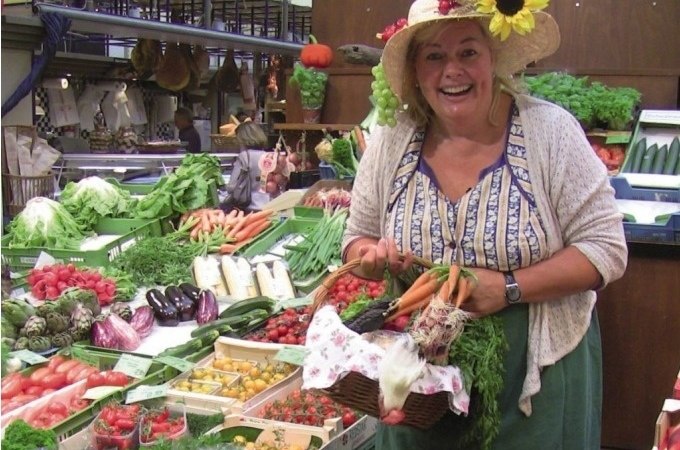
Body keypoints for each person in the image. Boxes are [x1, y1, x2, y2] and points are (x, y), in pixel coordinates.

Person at [342, 0, 628, 449]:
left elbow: (605, 249)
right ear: (416, 70)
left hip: (533, 380)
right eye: (434, 56)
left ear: (493, 58)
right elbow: (356, 236)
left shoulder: (549, 132)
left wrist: (509, 286)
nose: (451, 70)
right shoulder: (392, 140)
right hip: (418, 378)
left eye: (468, 52)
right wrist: (370, 257)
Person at [223, 119, 271, 211]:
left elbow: (232, 186)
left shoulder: (244, 156)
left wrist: (223, 187)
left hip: (249, 207)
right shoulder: (268, 156)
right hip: (268, 205)